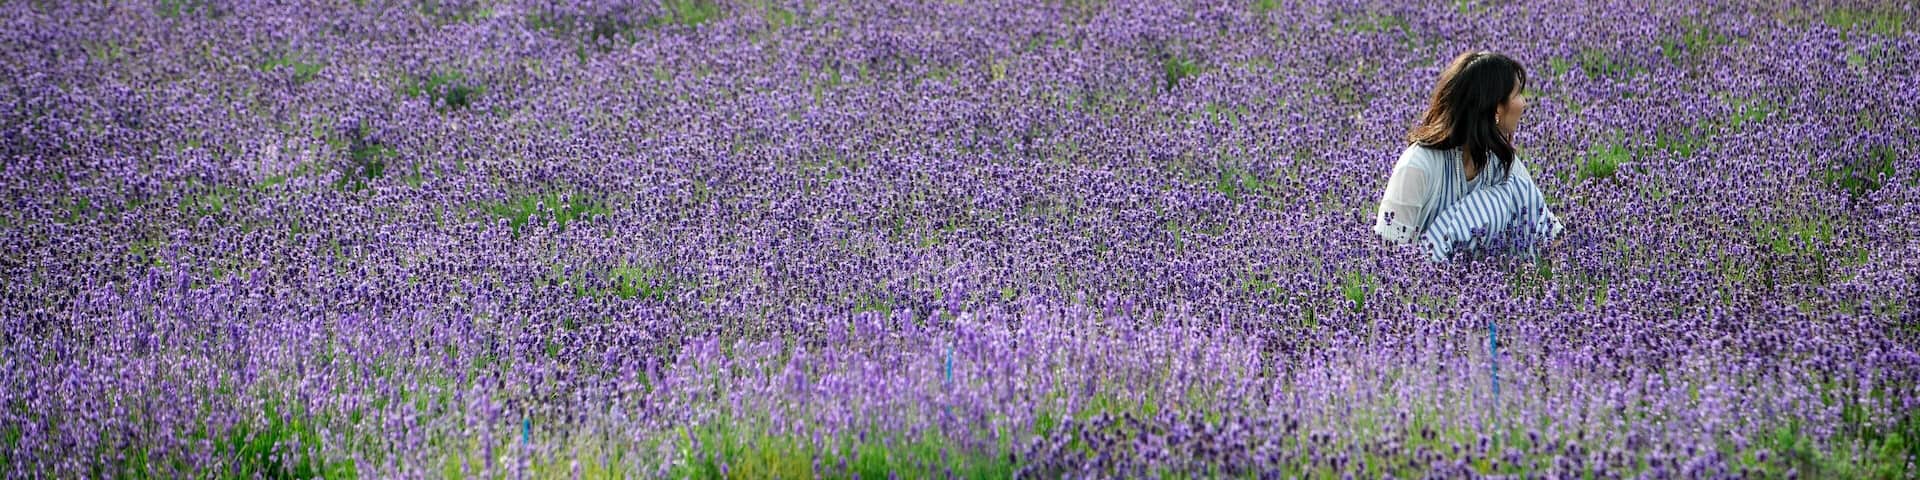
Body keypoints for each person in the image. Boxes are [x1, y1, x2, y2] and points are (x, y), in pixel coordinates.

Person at [1373, 50, 1564, 261]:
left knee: (1519, 190)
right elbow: (1387, 254)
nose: (1524, 103)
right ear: (1496, 109)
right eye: (1517, 94)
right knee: (1517, 190)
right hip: (1424, 282)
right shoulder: (1418, 164)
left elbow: (1543, 222)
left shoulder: (1500, 159)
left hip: (1485, 283)